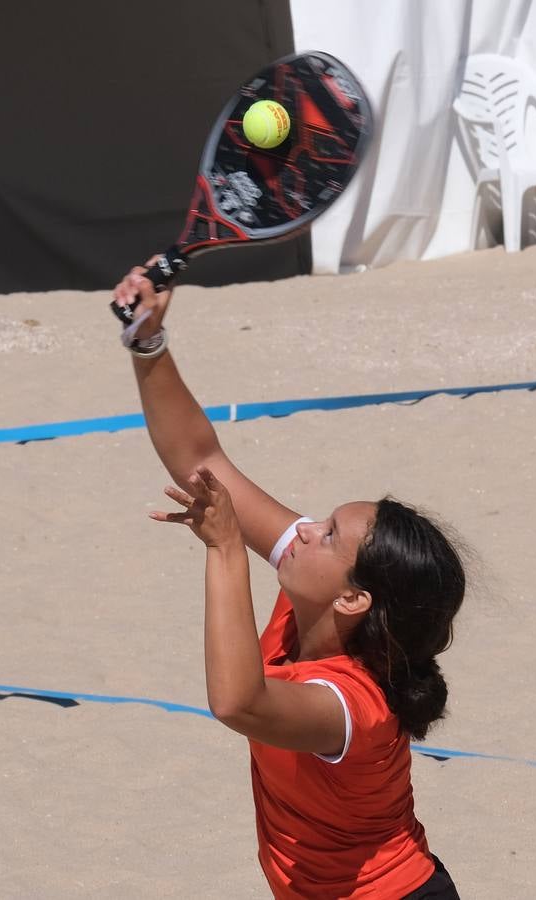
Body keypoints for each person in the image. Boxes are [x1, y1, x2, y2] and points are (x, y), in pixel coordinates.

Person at [113, 266, 465, 900]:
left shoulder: (348, 704)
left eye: (328, 534)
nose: (304, 531)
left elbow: (237, 703)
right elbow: (202, 462)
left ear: (354, 598)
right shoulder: (314, 598)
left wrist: (226, 551)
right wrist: (148, 344)